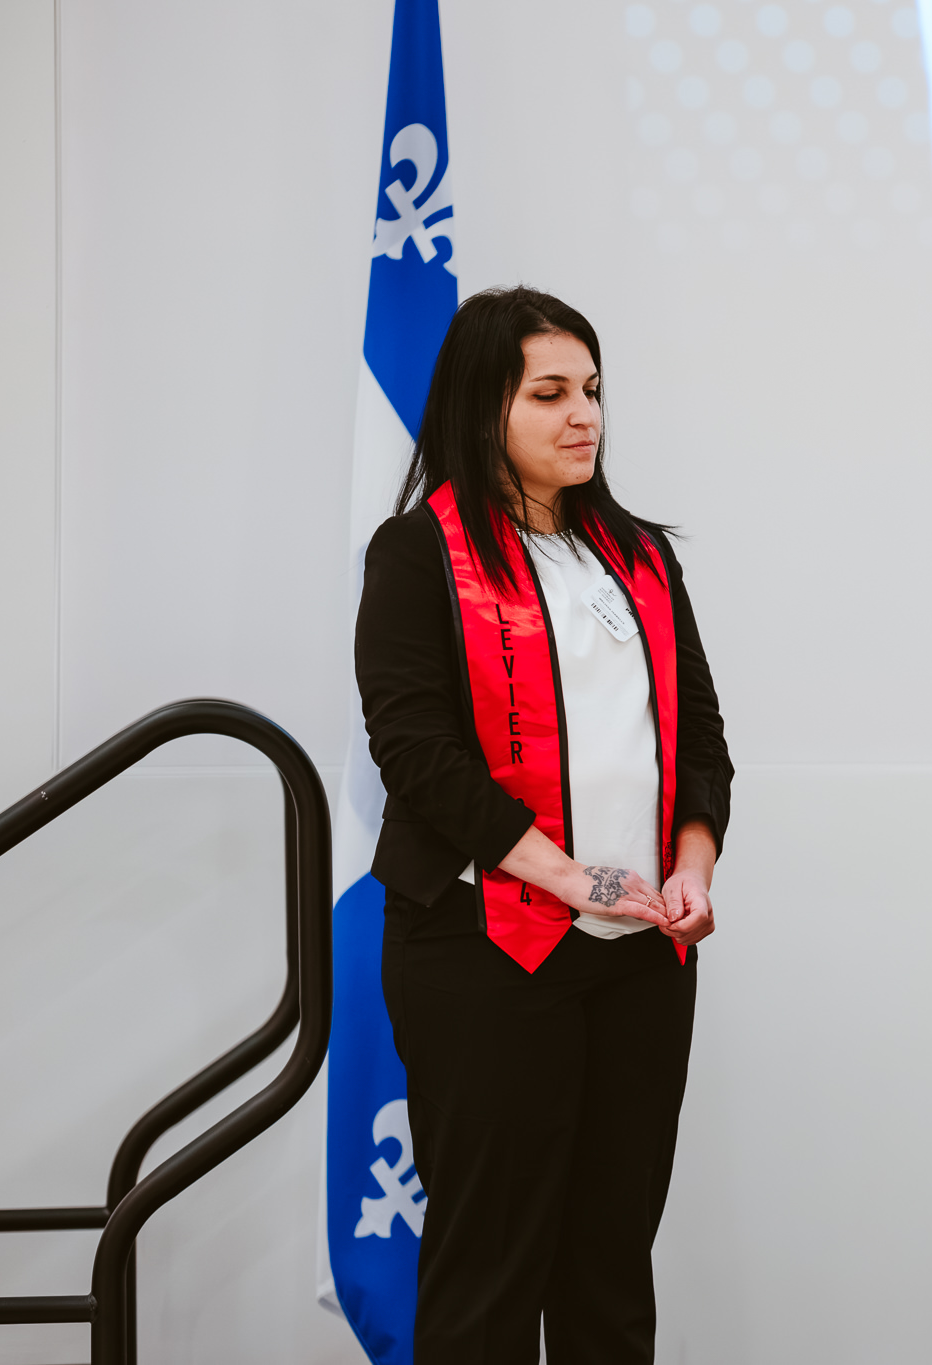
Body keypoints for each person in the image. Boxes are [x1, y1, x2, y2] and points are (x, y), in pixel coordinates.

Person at [355, 286, 732, 1363]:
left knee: (609, 1269)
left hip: (638, 959)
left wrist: (691, 867)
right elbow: (415, 754)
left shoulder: (641, 556)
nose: (586, 417)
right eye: (551, 393)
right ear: (484, 411)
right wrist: (572, 880)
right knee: (488, 1271)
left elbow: (698, 738)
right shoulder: (416, 555)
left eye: (594, 391)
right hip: (483, 952)